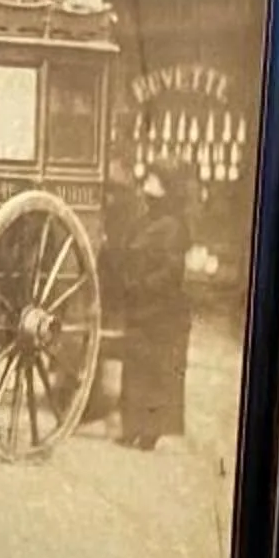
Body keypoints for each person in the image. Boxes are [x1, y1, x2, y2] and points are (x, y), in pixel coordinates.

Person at [107, 158, 196, 449]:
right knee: (134, 369)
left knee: (157, 372)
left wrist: (142, 287)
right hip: (141, 307)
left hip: (162, 311)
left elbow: (171, 272)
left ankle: (150, 432)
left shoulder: (173, 227)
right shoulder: (145, 220)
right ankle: (132, 427)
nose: (147, 188)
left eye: (155, 183)